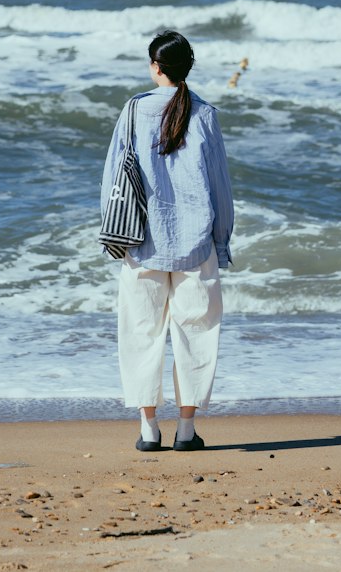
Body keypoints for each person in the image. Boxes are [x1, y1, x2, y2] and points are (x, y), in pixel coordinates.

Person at [100, 30, 234, 452]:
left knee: (141, 332)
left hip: (142, 241)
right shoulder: (205, 114)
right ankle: (188, 431)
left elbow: (113, 178)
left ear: (155, 67)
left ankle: (148, 429)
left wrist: (113, 233)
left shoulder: (134, 109)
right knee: (196, 331)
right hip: (196, 243)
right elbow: (220, 187)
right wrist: (222, 242)